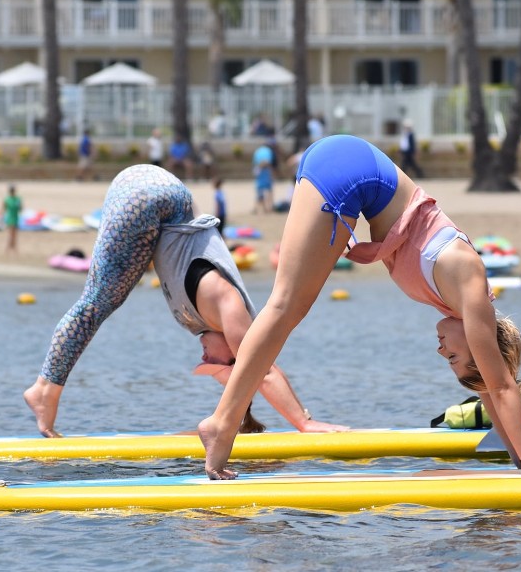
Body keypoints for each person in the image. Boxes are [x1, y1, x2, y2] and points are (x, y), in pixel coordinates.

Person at [196, 135, 521, 480]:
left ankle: (224, 421)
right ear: (481, 347)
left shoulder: (452, 302)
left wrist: (373, 250)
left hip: (347, 167)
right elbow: (499, 385)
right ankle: (223, 423)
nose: (441, 351)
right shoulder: (472, 292)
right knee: (284, 307)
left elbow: (488, 387)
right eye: (454, 357)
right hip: (351, 172)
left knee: (287, 306)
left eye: (447, 358)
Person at [23, 164, 347, 439]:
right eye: (214, 363)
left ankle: (45, 390)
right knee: (97, 303)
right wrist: (304, 422)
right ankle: (44, 390)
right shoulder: (231, 308)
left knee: (106, 300)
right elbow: (263, 371)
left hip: (145, 190)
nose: (203, 356)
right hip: (154, 197)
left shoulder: (198, 321)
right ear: (235, 357)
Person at [252, 142, 274, 213]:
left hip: (261, 179)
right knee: (267, 193)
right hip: (265, 177)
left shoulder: (258, 167)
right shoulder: (266, 167)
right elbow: (269, 163)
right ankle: (267, 208)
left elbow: (255, 173)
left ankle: (262, 208)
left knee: (260, 194)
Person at [2, 183, 22, 255]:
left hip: (15, 218)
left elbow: (20, 209)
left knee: (14, 235)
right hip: (10, 218)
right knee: (12, 235)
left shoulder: (16, 199)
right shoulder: (8, 199)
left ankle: (11, 248)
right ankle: (10, 249)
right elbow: (4, 209)